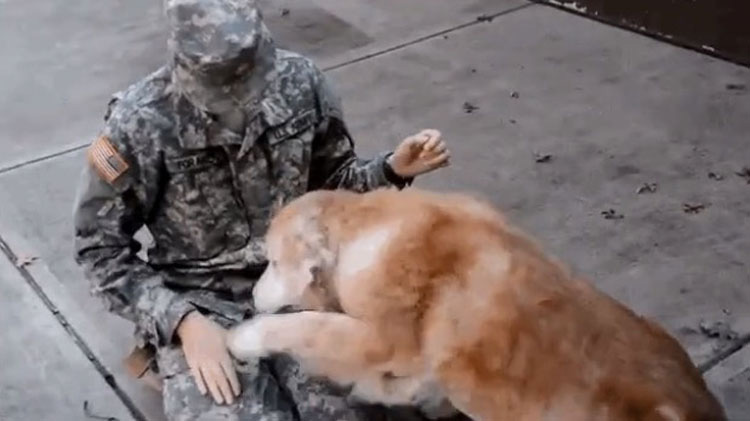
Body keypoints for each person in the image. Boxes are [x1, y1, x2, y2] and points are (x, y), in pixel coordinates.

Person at [72, 0, 457, 419]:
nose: (239, 97)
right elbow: (100, 248)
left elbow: (332, 189)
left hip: (303, 287)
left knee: (371, 407)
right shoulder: (138, 123)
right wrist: (182, 322)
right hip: (204, 303)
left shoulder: (299, 83)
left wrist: (390, 170)